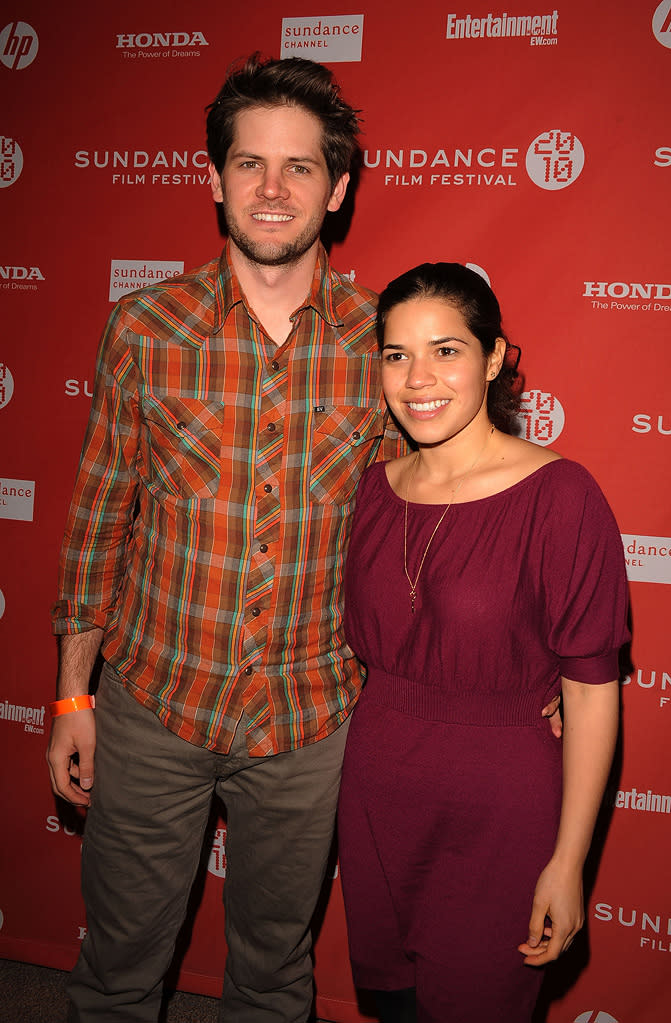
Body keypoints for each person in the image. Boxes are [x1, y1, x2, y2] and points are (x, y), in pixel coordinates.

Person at [46, 54, 403, 1023]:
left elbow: (438, 524)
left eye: (298, 168)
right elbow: (97, 518)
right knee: (117, 970)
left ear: (337, 189)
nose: (273, 190)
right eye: (250, 165)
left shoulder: (386, 347)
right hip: (154, 704)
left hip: (309, 722)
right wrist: (75, 691)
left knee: (274, 978)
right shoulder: (143, 331)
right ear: (214, 179)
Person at [337, 262, 629, 1023]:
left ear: (493, 357)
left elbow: (592, 693)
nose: (417, 377)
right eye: (396, 354)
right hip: (374, 794)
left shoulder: (561, 496)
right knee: (397, 1008)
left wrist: (568, 864)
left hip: (498, 811)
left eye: (446, 350)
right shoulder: (372, 488)